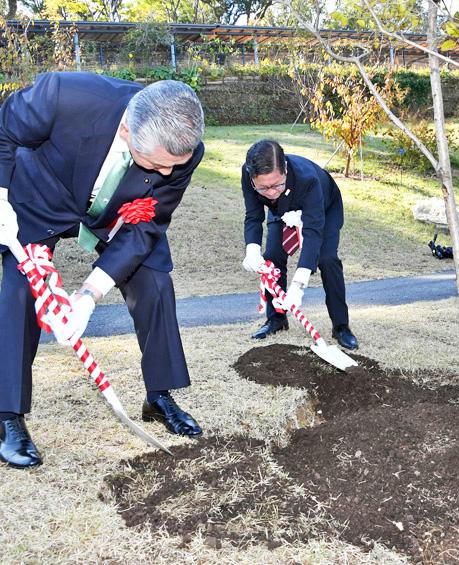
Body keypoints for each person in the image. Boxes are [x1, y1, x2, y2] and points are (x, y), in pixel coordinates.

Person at [0, 73, 206, 469]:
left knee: (155, 279)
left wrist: (89, 295)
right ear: (127, 128)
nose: (166, 174)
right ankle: (7, 414)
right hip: (41, 196)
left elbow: (148, 225)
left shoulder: (183, 150)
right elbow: (4, 129)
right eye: (157, 165)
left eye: (172, 167)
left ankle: (159, 396)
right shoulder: (63, 95)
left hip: (117, 213)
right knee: (21, 285)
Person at [241, 140, 358, 350]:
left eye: (277, 185)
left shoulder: (308, 179)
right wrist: (252, 249)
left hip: (323, 207)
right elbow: (253, 214)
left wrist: (299, 284)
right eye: (263, 187)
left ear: (285, 168)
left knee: (327, 258)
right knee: (273, 256)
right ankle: (276, 319)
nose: (271, 193)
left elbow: (313, 232)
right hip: (282, 211)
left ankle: (341, 326)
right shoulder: (248, 174)